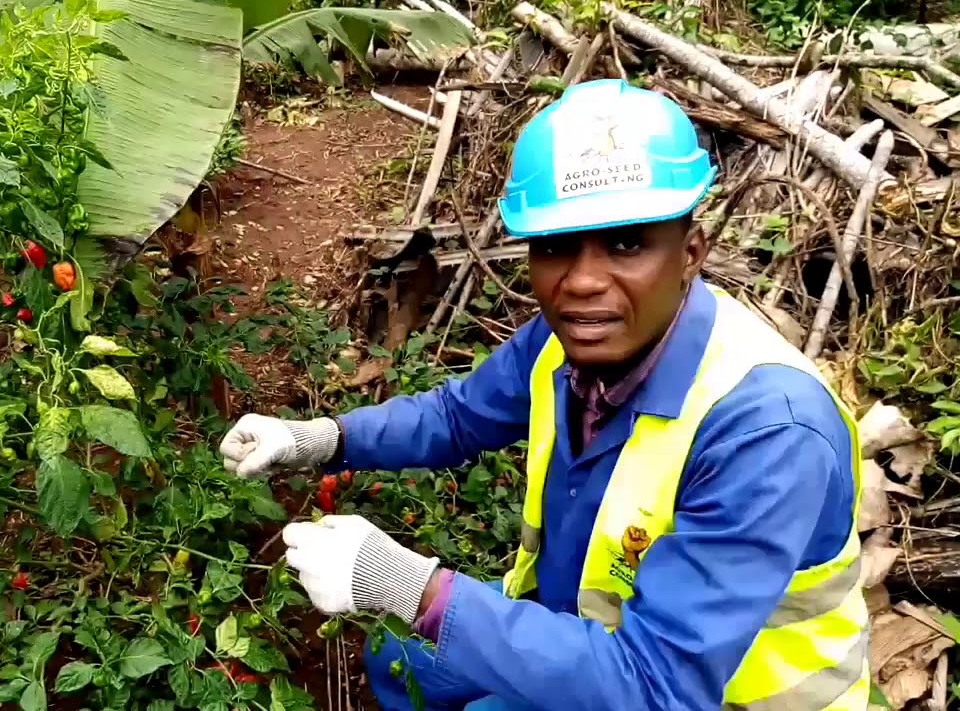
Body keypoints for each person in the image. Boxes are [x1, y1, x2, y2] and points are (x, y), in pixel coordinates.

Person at [218, 78, 869, 711]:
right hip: (584, 642)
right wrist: (320, 440)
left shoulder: (768, 433)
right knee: (401, 661)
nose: (583, 282)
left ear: (691, 253)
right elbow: (455, 417)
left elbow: (655, 685)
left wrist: (416, 590)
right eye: (556, 246)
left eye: (625, 243)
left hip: (692, 693)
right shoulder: (565, 345)